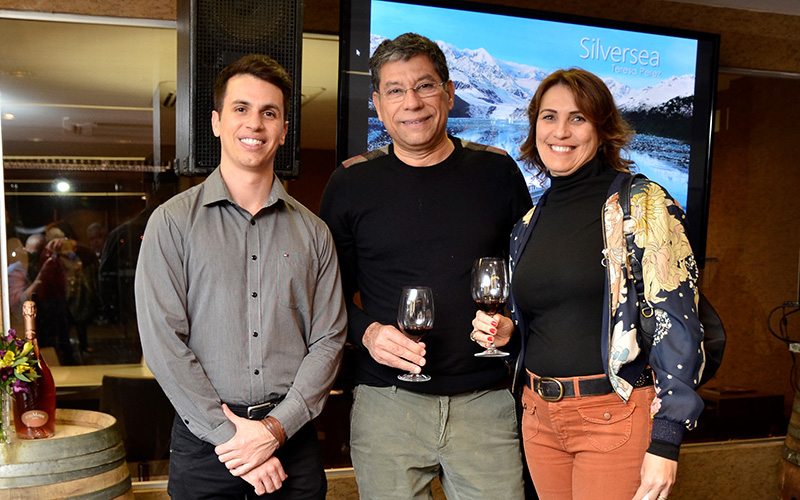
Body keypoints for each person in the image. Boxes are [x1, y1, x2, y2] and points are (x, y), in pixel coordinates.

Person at [471, 68, 705, 500]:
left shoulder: (642, 204)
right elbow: (554, 320)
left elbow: (677, 322)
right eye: (549, 117)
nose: (560, 131)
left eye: (577, 118)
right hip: (539, 416)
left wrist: (667, 439)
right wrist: (509, 334)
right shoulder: (529, 221)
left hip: (613, 416)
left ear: (602, 129)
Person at [319, 33, 531, 500]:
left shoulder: (497, 172)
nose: (411, 102)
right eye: (395, 90)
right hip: (387, 407)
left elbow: (531, 280)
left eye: (425, 86)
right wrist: (368, 334)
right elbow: (326, 299)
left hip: (485, 403)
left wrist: (512, 325)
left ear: (449, 93)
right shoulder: (351, 183)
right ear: (378, 105)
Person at [135, 54, 347, 499]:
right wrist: (234, 439)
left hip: (293, 441)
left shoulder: (315, 233)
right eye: (241, 108)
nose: (255, 123)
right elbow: (163, 342)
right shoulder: (171, 223)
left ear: (284, 130)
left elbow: (329, 340)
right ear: (216, 122)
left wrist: (274, 429)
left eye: (269, 113)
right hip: (204, 445)